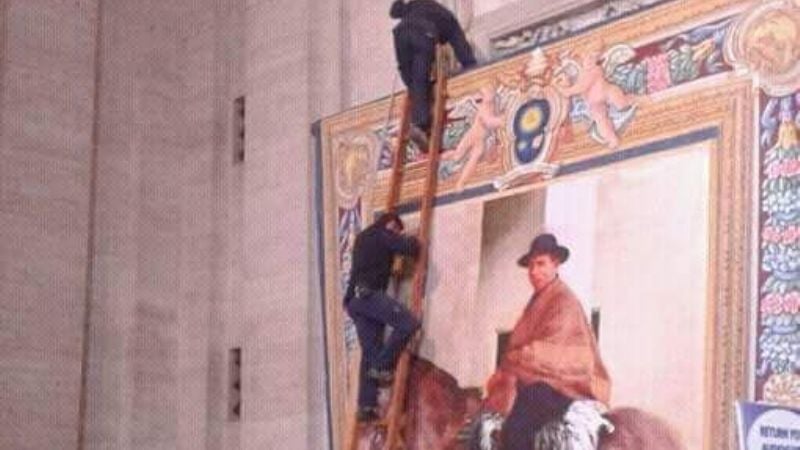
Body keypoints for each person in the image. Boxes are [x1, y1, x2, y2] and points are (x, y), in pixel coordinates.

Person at [482, 233, 611, 449]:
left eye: (541, 264)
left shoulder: (564, 300)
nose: (534, 272)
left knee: (518, 425)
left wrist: (519, 357)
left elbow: (556, 354)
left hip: (564, 385)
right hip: (538, 381)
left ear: (556, 264)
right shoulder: (536, 302)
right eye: (531, 266)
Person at [344, 212, 422, 422]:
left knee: (371, 351)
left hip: (355, 302)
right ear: (390, 224)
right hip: (369, 295)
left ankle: (366, 406)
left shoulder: (364, 237)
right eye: (396, 230)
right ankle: (382, 367)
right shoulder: (381, 233)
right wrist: (414, 240)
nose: (396, 234)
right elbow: (409, 248)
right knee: (408, 323)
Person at [390, 0, 478, 151]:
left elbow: (403, 68)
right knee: (420, 69)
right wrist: (471, 67)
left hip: (401, 36)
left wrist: (415, 90)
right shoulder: (440, 13)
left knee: (416, 79)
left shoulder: (406, 19)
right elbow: (459, 42)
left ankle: (419, 121)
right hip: (423, 32)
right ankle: (421, 124)